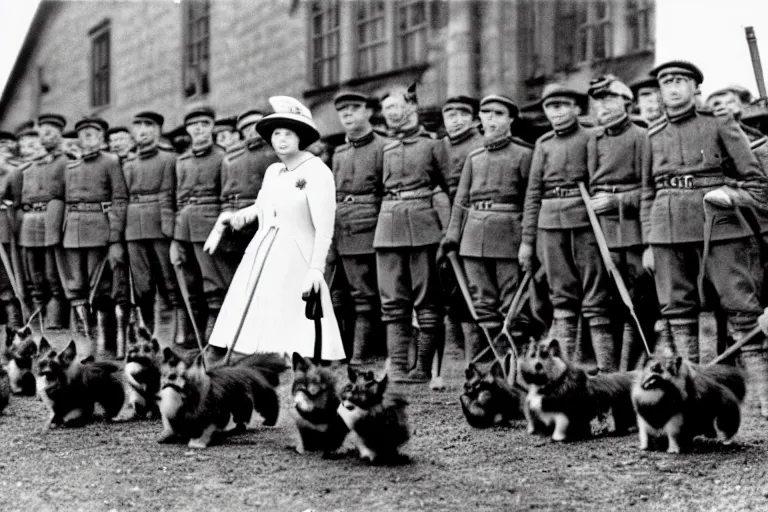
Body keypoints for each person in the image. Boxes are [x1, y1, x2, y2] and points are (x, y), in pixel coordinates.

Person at [641, 61, 768, 413]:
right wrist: (649, 242)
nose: (673, 87)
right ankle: (688, 389)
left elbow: (757, 182)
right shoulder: (650, 135)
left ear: (696, 87)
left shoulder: (718, 122)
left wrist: (732, 197)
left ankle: (763, 391)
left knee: (741, 305)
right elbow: (645, 192)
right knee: (676, 309)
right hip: (666, 227)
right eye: (666, 81)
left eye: (681, 80)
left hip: (719, 223)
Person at [205, 96, 345, 362]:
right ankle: (261, 356)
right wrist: (232, 217)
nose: (281, 140)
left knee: (290, 306)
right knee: (254, 301)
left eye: (288, 134)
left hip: (297, 252)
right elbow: (260, 208)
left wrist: (316, 268)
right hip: (263, 247)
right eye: (276, 133)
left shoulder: (317, 172)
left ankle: (298, 357)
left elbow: (324, 226)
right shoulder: (274, 171)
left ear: (301, 138)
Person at [519, 83, 611, 364]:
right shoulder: (543, 144)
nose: (556, 112)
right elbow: (533, 193)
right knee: (561, 296)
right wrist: (527, 240)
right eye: (550, 107)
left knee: (595, 295)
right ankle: (566, 366)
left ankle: (605, 368)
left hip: (585, 221)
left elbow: (601, 179)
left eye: (562, 106)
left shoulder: (593, 137)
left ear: (576, 108)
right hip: (549, 223)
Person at [442, 94, 532, 364]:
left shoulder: (524, 154)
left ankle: (515, 362)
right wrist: (452, 235)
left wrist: (529, 240)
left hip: (508, 235)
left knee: (512, 302)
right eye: (486, 113)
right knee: (481, 301)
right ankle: (496, 361)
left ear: (511, 119)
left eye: (499, 114)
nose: (491, 119)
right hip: (472, 237)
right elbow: (461, 199)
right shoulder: (475, 156)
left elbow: (531, 200)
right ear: (479, 118)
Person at [375, 85, 449, 385]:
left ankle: (423, 368)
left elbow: (450, 186)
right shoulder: (384, 147)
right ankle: (398, 367)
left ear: (413, 107)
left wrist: (450, 231)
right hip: (387, 226)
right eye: (387, 109)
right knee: (392, 298)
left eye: (396, 107)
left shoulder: (433, 145)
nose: (391, 114)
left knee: (427, 297)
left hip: (424, 225)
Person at [586, 76, 655, 371]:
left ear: (626, 101)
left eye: (610, 98)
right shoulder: (593, 139)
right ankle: (609, 372)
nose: (604, 105)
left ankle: (634, 367)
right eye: (599, 99)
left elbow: (650, 188)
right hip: (601, 232)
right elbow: (589, 182)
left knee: (640, 304)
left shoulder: (642, 136)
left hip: (634, 231)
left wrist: (618, 201)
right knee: (607, 303)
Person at [60, 117, 129, 357]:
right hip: (72, 232)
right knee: (76, 287)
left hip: (99, 229)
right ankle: (86, 343)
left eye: (93, 133)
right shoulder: (70, 167)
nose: (87, 137)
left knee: (101, 286)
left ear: (101, 137)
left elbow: (120, 198)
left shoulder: (111, 161)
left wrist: (115, 237)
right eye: (83, 133)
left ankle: (105, 344)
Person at [330, 90, 388, 365]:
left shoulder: (383, 146)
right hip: (345, 226)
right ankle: (356, 350)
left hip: (374, 223)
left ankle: (368, 352)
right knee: (353, 291)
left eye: (355, 107)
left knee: (375, 290)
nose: (348, 114)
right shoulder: (339, 153)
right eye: (343, 110)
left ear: (368, 111)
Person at [171, 105, 235, 342]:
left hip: (209, 226)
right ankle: (192, 334)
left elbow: (227, 195)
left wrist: (223, 228)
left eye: (205, 124)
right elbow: (177, 197)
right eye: (194, 125)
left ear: (212, 127)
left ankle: (216, 332)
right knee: (189, 280)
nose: (199, 129)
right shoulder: (182, 160)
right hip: (183, 227)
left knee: (213, 280)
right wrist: (175, 232)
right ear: (187, 129)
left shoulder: (223, 156)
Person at [122, 110, 182, 344]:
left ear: (157, 130)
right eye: (138, 126)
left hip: (160, 225)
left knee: (168, 281)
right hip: (133, 228)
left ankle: (172, 333)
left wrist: (170, 227)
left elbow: (174, 194)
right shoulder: (128, 164)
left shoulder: (169, 159)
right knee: (142, 286)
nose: (143, 130)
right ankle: (146, 333)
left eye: (149, 125)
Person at [12, 113, 69, 329]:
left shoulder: (66, 162)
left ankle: (57, 316)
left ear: (59, 135)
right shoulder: (27, 168)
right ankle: (37, 315)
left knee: (52, 271)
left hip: (51, 219)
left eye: (50, 133)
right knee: (32, 271)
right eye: (42, 133)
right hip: (29, 222)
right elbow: (18, 201)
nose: (45, 138)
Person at [210, 108, 279, 272]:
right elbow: (228, 195)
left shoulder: (276, 151)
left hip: (270, 219)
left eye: (255, 126)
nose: (251, 133)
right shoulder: (233, 156)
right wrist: (227, 214)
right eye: (246, 129)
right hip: (239, 223)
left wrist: (256, 209)